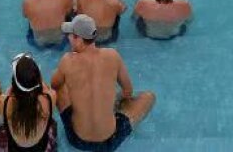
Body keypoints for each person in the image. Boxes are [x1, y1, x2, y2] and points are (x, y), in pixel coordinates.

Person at [52, 15, 155, 151]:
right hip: (109, 142)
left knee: (60, 88)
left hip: (77, 140)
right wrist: (110, 100)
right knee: (148, 97)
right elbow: (128, 91)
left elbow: (54, 86)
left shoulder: (67, 60)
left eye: (70, 36)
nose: (68, 38)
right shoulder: (112, 56)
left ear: (78, 39)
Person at [0, 54, 59, 152]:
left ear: (14, 82)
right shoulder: (50, 98)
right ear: (38, 78)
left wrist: (12, 89)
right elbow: (45, 88)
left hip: (14, 149)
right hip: (41, 148)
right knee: (52, 123)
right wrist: (37, 79)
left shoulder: (4, 102)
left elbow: (9, 95)